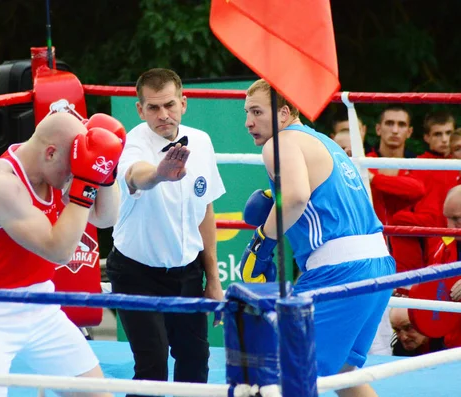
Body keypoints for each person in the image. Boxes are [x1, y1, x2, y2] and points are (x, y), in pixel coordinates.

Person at [241, 79, 395, 397]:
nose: (248, 122)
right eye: (247, 112)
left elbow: (296, 197)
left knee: (282, 368)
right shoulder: (323, 142)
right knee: (343, 373)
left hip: (340, 271)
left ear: (284, 112)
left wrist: (261, 243)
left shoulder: (279, 144)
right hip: (378, 265)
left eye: (256, 111)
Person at [0, 111, 124, 397]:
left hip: (42, 307)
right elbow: (58, 251)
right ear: (50, 153)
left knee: (98, 395)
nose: (73, 175)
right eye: (72, 169)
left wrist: (106, 173)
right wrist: (85, 184)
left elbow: (106, 218)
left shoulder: (57, 168)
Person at [106, 68, 225, 392]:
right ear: (140, 109)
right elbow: (135, 174)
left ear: (183, 103)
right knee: (152, 365)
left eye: (169, 105)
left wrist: (212, 279)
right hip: (135, 273)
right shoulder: (131, 144)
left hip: (186, 270)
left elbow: (206, 211)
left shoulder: (201, 141)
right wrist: (159, 173)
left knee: (196, 360)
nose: (163, 114)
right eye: (154, 108)